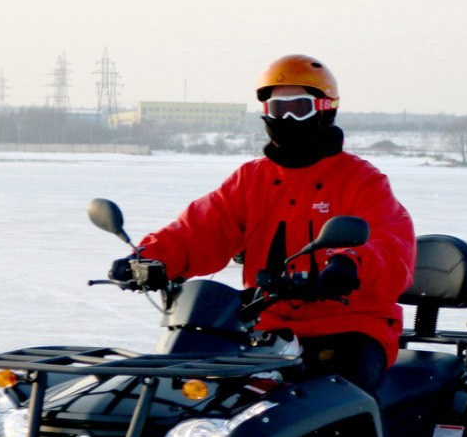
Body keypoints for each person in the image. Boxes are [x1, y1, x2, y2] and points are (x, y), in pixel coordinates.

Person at [130, 54, 417, 394]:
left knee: (335, 404)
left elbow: (388, 242)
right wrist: (150, 257)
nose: (290, 118)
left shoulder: (361, 180)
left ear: (325, 108)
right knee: (190, 395)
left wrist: (349, 265)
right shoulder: (252, 180)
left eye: (300, 107)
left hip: (348, 327)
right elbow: (201, 228)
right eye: (280, 108)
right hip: (262, 327)